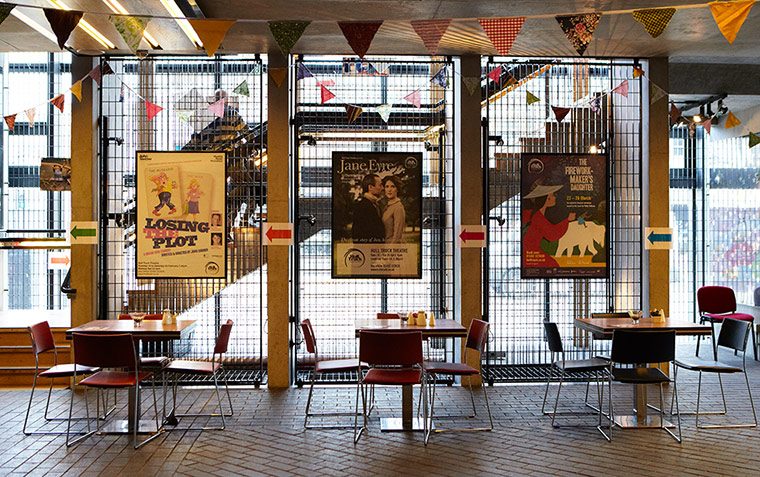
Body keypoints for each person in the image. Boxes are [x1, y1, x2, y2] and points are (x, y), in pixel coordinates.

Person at [522, 182, 575, 268]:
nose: (555, 198)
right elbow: (552, 234)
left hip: (530, 253)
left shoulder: (535, 214)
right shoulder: (537, 216)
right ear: (547, 199)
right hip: (530, 253)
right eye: (553, 195)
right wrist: (567, 220)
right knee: (553, 265)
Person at [352, 173, 385, 243]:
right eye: (380, 185)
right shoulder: (363, 207)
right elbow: (358, 236)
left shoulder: (374, 204)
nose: (383, 188)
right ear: (370, 187)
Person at [381, 175, 406, 243]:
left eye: (393, 186)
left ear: (397, 189)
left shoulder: (398, 207)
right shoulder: (387, 206)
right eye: (387, 187)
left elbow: (397, 235)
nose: (389, 190)